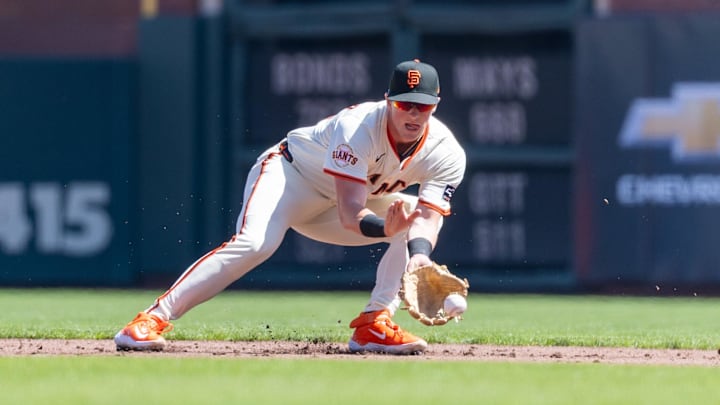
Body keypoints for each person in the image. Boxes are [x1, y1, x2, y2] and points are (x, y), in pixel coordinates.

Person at [114, 59, 467, 355]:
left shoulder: (447, 152)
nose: (414, 113)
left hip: (333, 205)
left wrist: (419, 256)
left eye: (422, 106)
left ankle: (373, 324)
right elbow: (351, 214)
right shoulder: (358, 127)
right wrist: (385, 228)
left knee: (410, 220)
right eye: (406, 104)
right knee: (255, 244)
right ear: (388, 100)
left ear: (436, 106)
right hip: (290, 177)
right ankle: (150, 319)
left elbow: (429, 216)